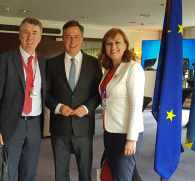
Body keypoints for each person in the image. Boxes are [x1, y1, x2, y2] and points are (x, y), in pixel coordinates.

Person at [0, 17, 46, 181]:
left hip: (35, 124)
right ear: (19, 35)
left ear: (40, 37)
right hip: (12, 124)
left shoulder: (43, 61)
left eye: (35, 33)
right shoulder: (5, 59)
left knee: (29, 171)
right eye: (26, 32)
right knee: (7, 171)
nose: (30, 37)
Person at [46, 20, 102, 181]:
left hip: (83, 127)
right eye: (68, 37)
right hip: (59, 128)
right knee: (60, 174)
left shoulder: (94, 64)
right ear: (63, 38)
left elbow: (98, 93)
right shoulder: (51, 63)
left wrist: (86, 108)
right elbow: (46, 94)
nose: (72, 41)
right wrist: (58, 107)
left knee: (85, 174)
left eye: (76, 37)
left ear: (82, 39)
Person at [98, 28, 145, 181]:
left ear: (125, 45)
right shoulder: (108, 71)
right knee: (124, 173)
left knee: (121, 176)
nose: (113, 47)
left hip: (126, 133)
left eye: (117, 42)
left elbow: (136, 106)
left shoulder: (133, 68)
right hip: (110, 131)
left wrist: (132, 139)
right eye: (109, 43)